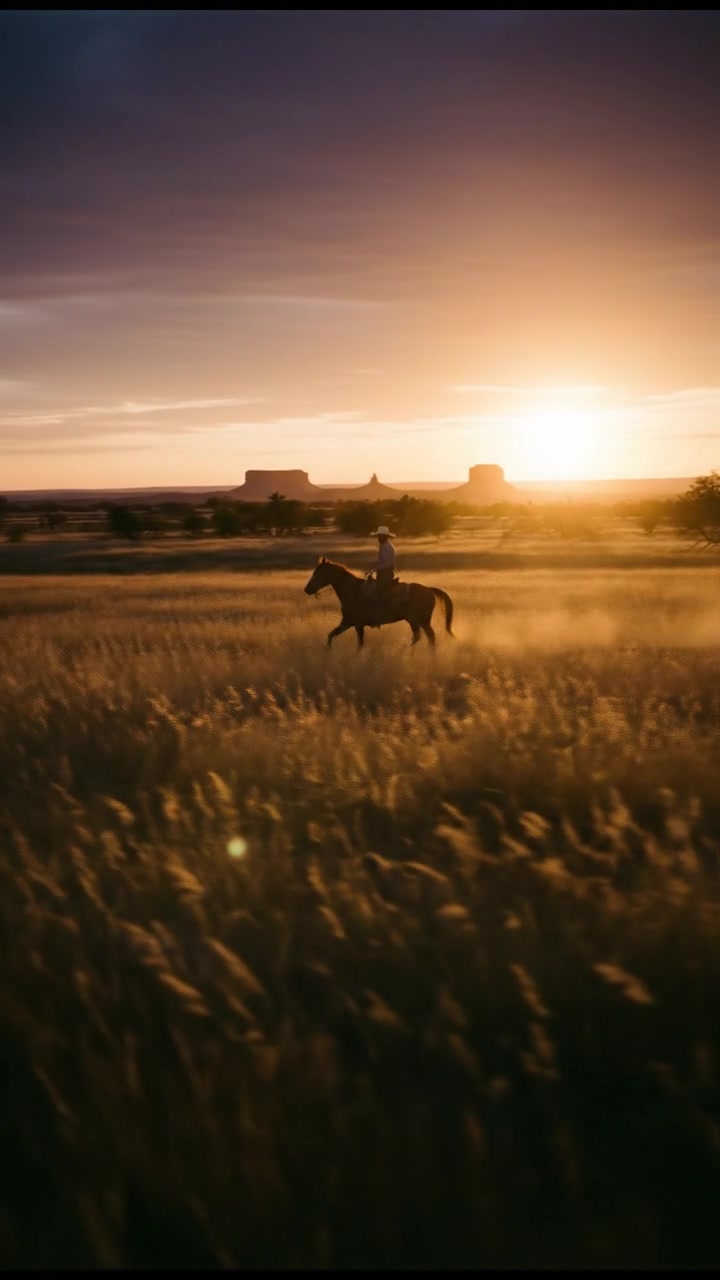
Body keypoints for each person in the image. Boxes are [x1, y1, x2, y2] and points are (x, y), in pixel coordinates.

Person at [368, 525, 397, 621]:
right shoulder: (384, 546)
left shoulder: (387, 548)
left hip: (386, 574)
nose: (379, 538)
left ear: (385, 537)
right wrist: (373, 566)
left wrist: (375, 567)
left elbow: (387, 564)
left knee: (378, 591)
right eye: (378, 536)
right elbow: (381, 561)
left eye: (380, 536)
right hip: (383, 573)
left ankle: (379, 612)